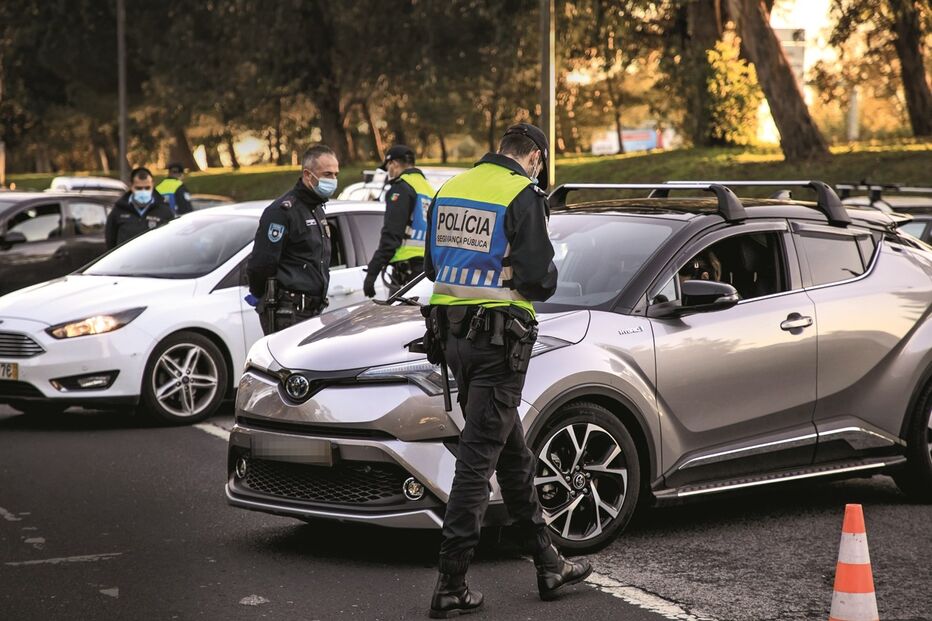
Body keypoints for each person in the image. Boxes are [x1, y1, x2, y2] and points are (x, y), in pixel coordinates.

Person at [422, 123, 591, 618]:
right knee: (477, 462)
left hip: (453, 339)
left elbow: (434, 267)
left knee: (510, 452)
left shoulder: (450, 189)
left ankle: (548, 561)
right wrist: (516, 270)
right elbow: (540, 280)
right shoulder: (522, 194)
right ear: (535, 156)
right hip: (499, 342)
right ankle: (451, 582)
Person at [245, 145, 339, 335]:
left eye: (336, 174)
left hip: (313, 311)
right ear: (308, 175)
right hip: (288, 313)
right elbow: (262, 263)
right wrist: (259, 295)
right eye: (327, 174)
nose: (334, 180)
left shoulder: (317, 209)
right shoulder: (282, 212)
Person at [362, 145, 436, 298]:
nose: (388, 172)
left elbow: (391, 235)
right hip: (426, 273)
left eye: (387, 167)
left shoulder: (401, 188)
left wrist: (372, 271)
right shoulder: (429, 189)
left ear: (394, 164)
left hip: (406, 274)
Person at [105, 167, 175, 249]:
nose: (143, 192)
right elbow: (110, 242)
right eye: (139, 188)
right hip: (127, 260)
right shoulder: (119, 210)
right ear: (131, 186)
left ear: (153, 185)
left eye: (147, 188)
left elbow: (171, 242)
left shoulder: (164, 211)